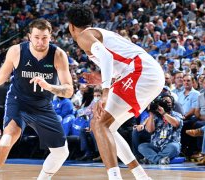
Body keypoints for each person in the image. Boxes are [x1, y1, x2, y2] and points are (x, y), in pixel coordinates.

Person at [66, 5, 164, 180]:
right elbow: (116, 61)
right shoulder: (98, 33)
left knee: (98, 123)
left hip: (141, 72)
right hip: (146, 73)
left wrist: (104, 92)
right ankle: (141, 176)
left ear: (71, 26)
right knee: (107, 127)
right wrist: (101, 78)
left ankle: (115, 177)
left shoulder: (83, 35)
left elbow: (107, 57)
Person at [0, 19, 73, 180]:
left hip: (43, 105)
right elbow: (2, 76)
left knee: (61, 152)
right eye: (36, 37)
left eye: (44, 37)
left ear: (51, 36)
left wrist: (49, 86)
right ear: (29, 36)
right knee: (8, 137)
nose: (40, 41)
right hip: (18, 101)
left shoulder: (58, 55)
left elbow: (69, 90)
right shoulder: (16, 51)